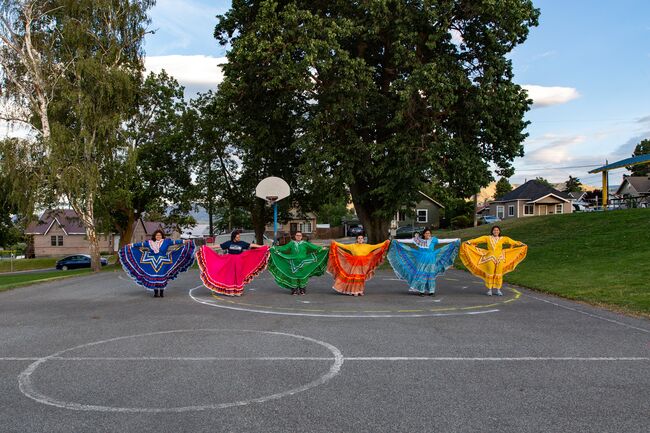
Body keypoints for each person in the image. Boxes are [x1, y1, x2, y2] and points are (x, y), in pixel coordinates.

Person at [119, 229, 195, 298]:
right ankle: (156, 292)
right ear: (154, 236)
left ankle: (161, 292)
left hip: (164, 261)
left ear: (162, 236)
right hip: (152, 261)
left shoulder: (166, 241)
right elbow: (141, 244)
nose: (158, 236)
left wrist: (184, 241)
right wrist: (132, 245)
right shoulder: (150, 243)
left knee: (162, 276)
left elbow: (175, 242)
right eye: (157, 235)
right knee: (155, 276)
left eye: (160, 235)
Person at [387, 227, 460, 296]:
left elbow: (444, 240)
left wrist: (456, 239)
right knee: (421, 274)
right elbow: (408, 240)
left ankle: (431, 291)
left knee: (430, 274)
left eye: (429, 233)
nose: (428, 234)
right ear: (424, 234)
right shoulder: (418, 240)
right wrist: (398, 240)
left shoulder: (433, 240)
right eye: (426, 233)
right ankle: (421, 290)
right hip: (421, 259)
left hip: (431, 259)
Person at [196, 230, 269, 296]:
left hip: (239, 261)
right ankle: (230, 290)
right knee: (230, 275)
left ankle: (238, 291)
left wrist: (262, 246)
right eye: (237, 237)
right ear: (234, 237)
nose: (239, 238)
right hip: (230, 262)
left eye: (239, 237)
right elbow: (219, 246)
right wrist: (208, 247)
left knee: (238, 275)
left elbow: (251, 245)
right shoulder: (228, 243)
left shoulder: (242, 243)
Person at [459, 225, 527, 296]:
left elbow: (512, 242)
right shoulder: (487, 238)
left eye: (497, 230)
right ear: (492, 231)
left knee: (499, 273)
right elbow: (478, 240)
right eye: (494, 230)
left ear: (499, 231)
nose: (496, 231)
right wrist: (469, 242)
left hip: (500, 258)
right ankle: (489, 290)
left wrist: (520, 244)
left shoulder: (503, 238)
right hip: (490, 258)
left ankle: (498, 290)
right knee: (490, 272)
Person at [267, 231, 329, 295]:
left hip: (304, 263)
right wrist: (274, 249)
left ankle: (302, 289)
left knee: (303, 275)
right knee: (293, 276)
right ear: (295, 236)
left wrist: (323, 249)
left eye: (300, 235)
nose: (298, 237)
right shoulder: (291, 243)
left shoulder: (305, 243)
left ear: (301, 237)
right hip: (293, 262)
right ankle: (294, 290)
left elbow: (314, 247)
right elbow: (283, 248)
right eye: (297, 235)